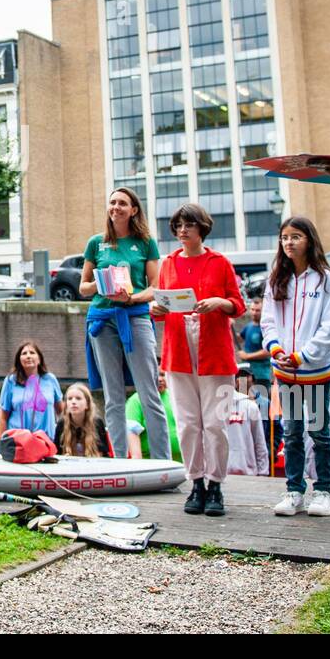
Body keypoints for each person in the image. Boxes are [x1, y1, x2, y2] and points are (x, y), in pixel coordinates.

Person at [150, 203, 244, 516]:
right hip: (178, 351)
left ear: (201, 227)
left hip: (214, 351)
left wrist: (220, 301)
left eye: (188, 225)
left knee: (216, 424)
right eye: (178, 226)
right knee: (189, 424)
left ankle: (216, 483)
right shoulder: (168, 264)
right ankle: (196, 482)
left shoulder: (220, 262)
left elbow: (238, 305)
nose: (182, 231)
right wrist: (157, 310)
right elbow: (161, 305)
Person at [80, 188, 171, 461]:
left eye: (122, 203)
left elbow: (155, 288)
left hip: (135, 318)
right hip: (102, 320)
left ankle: (161, 461)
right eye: (112, 202)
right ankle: (119, 462)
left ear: (134, 210)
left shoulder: (145, 243)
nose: (116, 207)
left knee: (149, 392)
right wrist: (102, 284)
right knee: (113, 396)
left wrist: (130, 297)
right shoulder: (96, 243)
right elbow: (83, 287)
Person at [260, 217, 330, 517]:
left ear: (309, 240)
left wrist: (302, 355)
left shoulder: (324, 279)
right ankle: (294, 490)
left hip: (315, 371)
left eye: (295, 237)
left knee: (319, 432)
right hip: (287, 373)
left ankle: (323, 491)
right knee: (292, 432)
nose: (288, 243)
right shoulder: (277, 278)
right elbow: (268, 320)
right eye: (284, 237)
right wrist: (276, 348)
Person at [0, 341, 64, 437]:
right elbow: (3, 416)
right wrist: (2, 442)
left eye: (32, 353)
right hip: (18, 442)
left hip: (46, 441)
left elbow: (61, 412)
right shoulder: (10, 381)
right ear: (19, 360)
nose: (28, 356)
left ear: (39, 359)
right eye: (24, 353)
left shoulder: (50, 379)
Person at [125, 370, 180, 462]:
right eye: (154, 374)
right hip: (153, 464)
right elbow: (131, 431)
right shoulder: (136, 401)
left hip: (183, 465)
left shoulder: (175, 396)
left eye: (162, 374)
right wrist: (138, 463)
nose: (160, 379)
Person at [225, 369, 271, 476]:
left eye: (246, 376)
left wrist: (263, 471)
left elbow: (260, 441)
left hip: (248, 472)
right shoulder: (211, 406)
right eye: (240, 376)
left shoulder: (253, 406)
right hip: (220, 474)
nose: (243, 380)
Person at [56, 383, 113, 457]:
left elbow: (102, 453)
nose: (73, 402)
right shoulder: (62, 423)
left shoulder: (97, 422)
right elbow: (56, 453)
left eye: (78, 398)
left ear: (87, 404)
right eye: (69, 399)